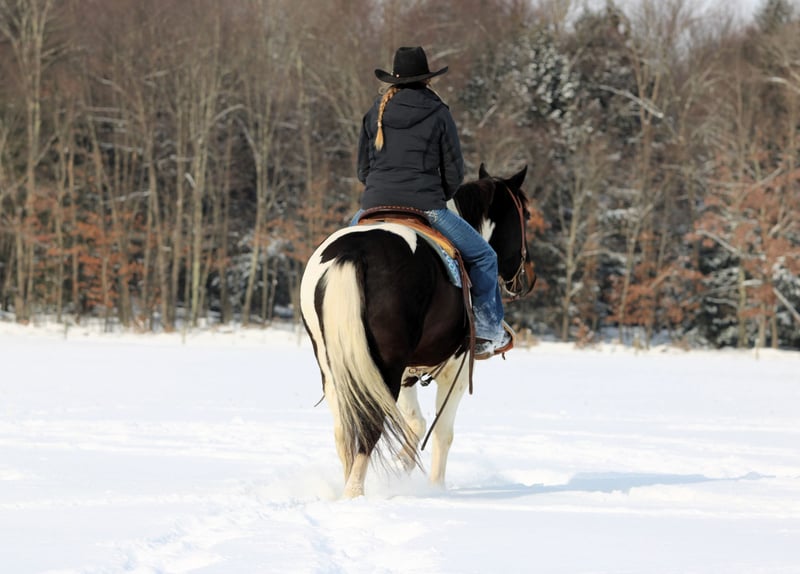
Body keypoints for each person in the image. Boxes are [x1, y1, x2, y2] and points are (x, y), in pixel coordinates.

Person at [354, 46, 512, 359]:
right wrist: (437, 195)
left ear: (394, 80)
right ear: (427, 79)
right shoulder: (438, 112)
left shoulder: (376, 112)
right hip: (425, 206)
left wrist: (381, 192)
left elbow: (362, 170)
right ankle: (486, 332)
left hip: (373, 206)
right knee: (484, 257)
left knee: (337, 253)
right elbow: (454, 172)